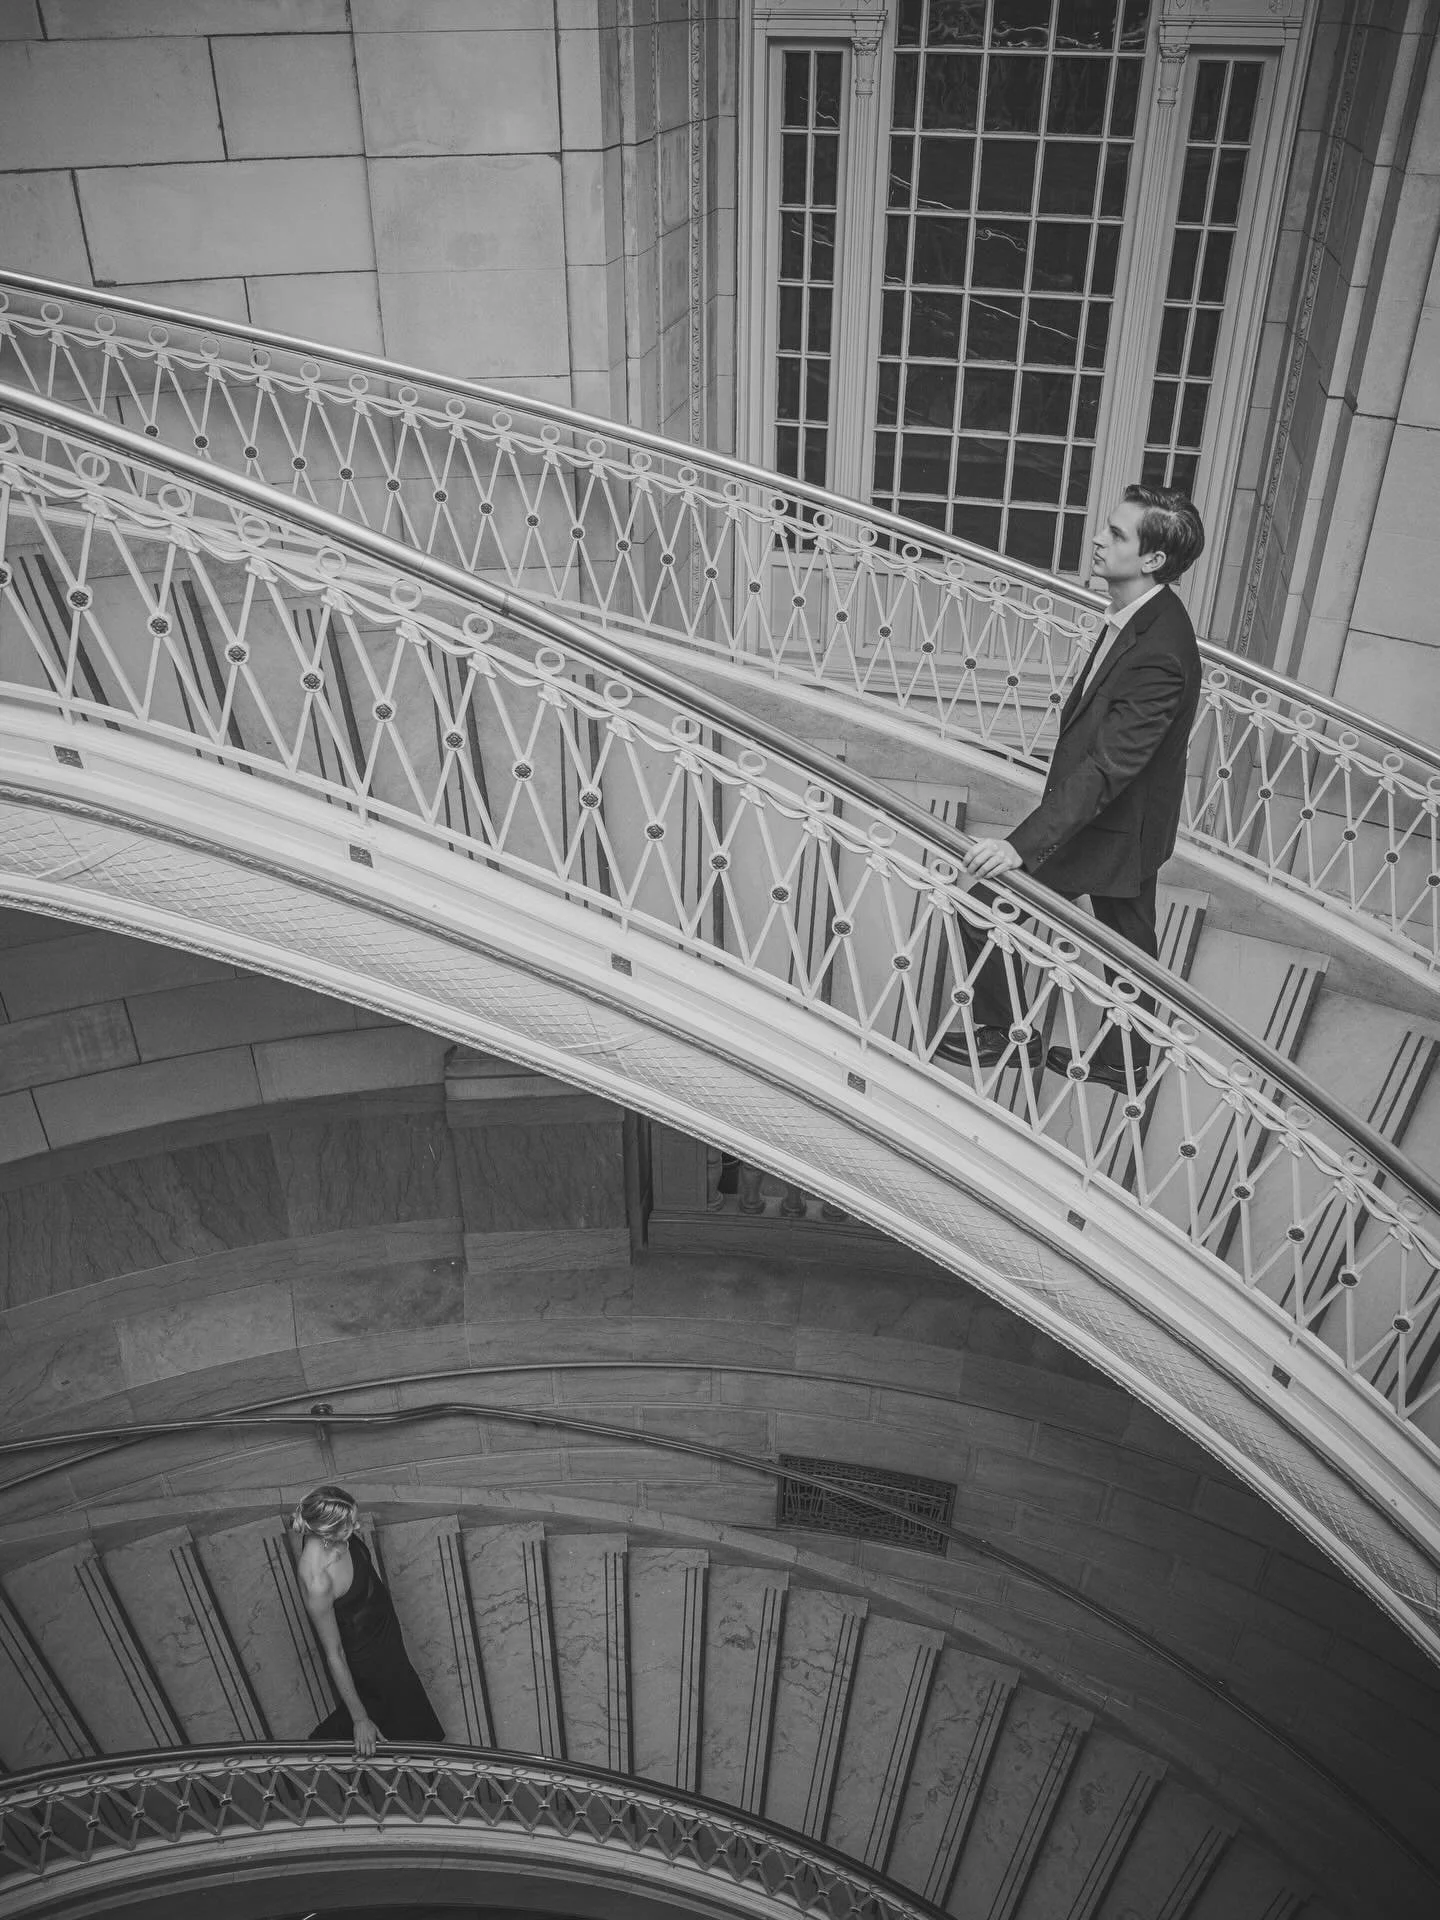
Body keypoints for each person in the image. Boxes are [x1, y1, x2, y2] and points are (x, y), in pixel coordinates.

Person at [936, 485, 1205, 1090]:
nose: (1100, 539)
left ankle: (1004, 1034)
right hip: (1127, 822)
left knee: (982, 903)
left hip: (1108, 825)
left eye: (1117, 534)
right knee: (1128, 940)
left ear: (1152, 560)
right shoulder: (1146, 619)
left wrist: (1020, 845)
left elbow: (1110, 766)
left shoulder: (1161, 649)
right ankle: (1127, 1059)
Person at [293, 1484, 444, 1753]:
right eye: (347, 1526)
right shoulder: (318, 1581)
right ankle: (321, 1748)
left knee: (402, 1697)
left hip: (381, 1626)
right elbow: (334, 1653)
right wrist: (360, 1719)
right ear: (324, 1532)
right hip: (370, 1655)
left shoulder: (331, 1533)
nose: (358, 1528)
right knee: (396, 1703)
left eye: (354, 1520)